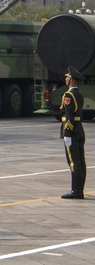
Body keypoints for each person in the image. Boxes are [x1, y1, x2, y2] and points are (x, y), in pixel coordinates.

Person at [60, 66, 86, 199]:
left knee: (73, 162)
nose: (65, 79)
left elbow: (69, 116)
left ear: (71, 80)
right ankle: (79, 189)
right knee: (80, 161)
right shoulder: (79, 94)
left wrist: (67, 134)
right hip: (79, 128)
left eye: (67, 77)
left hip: (72, 130)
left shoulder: (68, 95)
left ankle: (76, 191)